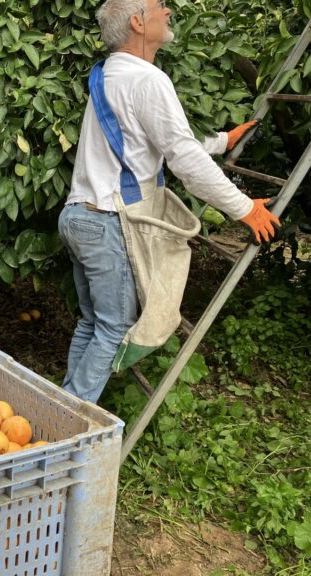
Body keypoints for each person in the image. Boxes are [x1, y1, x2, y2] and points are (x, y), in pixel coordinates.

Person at [57, 0, 280, 403]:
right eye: (161, 6)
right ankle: (66, 428)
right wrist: (244, 208)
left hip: (79, 216)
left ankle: (58, 407)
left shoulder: (109, 74)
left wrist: (221, 141)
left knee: (93, 323)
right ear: (138, 22)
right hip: (108, 220)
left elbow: (159, 143)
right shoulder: (147, 79)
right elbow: (185, 162)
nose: (169, 12)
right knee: (113, 326)